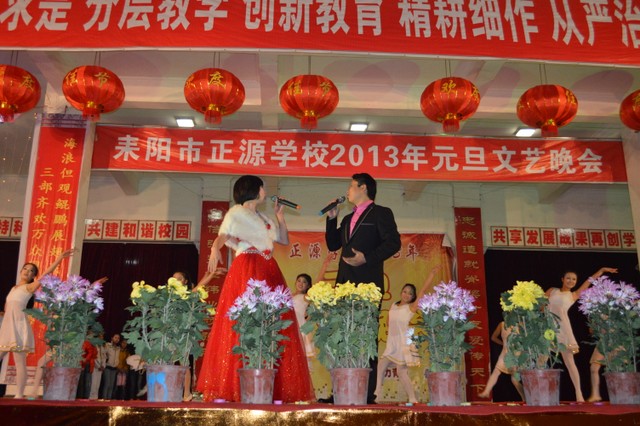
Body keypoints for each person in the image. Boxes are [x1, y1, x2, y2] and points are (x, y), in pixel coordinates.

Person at [196, 175, 313, 403]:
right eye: (262, 187)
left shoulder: (264, 217)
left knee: (274, 323)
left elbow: (283, 240)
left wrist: (280, 216)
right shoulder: (236, 213)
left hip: (269, 268)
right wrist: (214, 249)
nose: (264, 191)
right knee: (245, 321)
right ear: (253, 190)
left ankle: (269, 385)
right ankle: (238, 386)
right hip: (248, 267)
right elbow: (223, 235)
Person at [324, 172, 401, 404]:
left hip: (367, 286)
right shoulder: (348, 218)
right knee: (341, 337)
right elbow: (333, 244)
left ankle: (366, 394)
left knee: (366, 336)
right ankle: (340, 390)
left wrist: (367, 258)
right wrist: (332, 219)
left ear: (363, 188)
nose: (347, 190)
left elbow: (393, 243)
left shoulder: (381, 213)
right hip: (344, 285)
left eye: (351, 186)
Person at [0, 248, 75, 398]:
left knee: (19, 360)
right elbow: (7, 307)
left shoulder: (29, 287)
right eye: (25, 269)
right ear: (21, 271)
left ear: (34, 276)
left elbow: (46, 274)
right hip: (7, 326)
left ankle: (19, 395)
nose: (27, 272)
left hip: (19, 326)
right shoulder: (13, 288)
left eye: (31, 271)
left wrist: (60, 258)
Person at [545, 266, 618, 402]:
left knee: (570, 362)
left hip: (563, 330)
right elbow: (540, 306)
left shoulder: (573, 295)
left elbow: (588, 281)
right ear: (562, 279)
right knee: (541, 360)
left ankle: (579, 394)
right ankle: (540, 395)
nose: (571, 281)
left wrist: (601, 271)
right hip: (547, 329)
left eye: (574, 279)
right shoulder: (552, 291)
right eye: (568, 278)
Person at [374, 266, 440, 404]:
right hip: (392, 342)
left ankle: (410, 397)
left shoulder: (411, 308)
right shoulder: (394, 305)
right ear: (401, 292)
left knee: (401, 371)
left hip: (403, 343)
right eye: (404, 291)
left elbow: (422, 291)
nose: (406, 295)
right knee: (383, 364)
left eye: (410, 293)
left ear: (412, 297)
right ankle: (378, 392)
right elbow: (389, 321)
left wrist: (431, 275)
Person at [173, 269, 224, 402]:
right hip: (172, 333)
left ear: (185, 282)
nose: (175, 281)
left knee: (183, 363)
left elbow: (199, 287)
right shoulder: (169, 296)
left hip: (183, 334)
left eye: (179, 279)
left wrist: (210, 275)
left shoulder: (187, 296)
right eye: (173, 278)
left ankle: (186, 394)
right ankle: (172, 392)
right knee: (171, 363)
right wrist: (208, 273)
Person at [478, 321, 525, 401]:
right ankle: (486, 391)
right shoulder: (502, 324)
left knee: (514, 380)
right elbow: (493, 337)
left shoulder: (520, 324)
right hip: (505, 353)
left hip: (516, 354)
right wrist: (503, 344)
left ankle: (525, 398)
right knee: (496, 371)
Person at [292, 273, 316, 358]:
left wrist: (324, 266)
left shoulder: (306, 297)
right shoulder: (289, 295)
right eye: (299, 281)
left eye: (304, 282)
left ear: (308, 286)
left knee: (301, 356)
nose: (301, 283)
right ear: (295, 282)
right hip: (289, 327)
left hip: (300, 328)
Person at [100, 333, 121, 399]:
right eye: (115, 337)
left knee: (111, 385)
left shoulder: (118, 348)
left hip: (114, 368)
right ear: (112, 338)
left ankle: (109, 399)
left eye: (118, 338)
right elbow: (103, 355)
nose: (117, 339)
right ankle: (104, 398)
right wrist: (103, 364)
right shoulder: (107, 345)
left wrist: (117, 364)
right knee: (107, 384)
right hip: (107, 367)